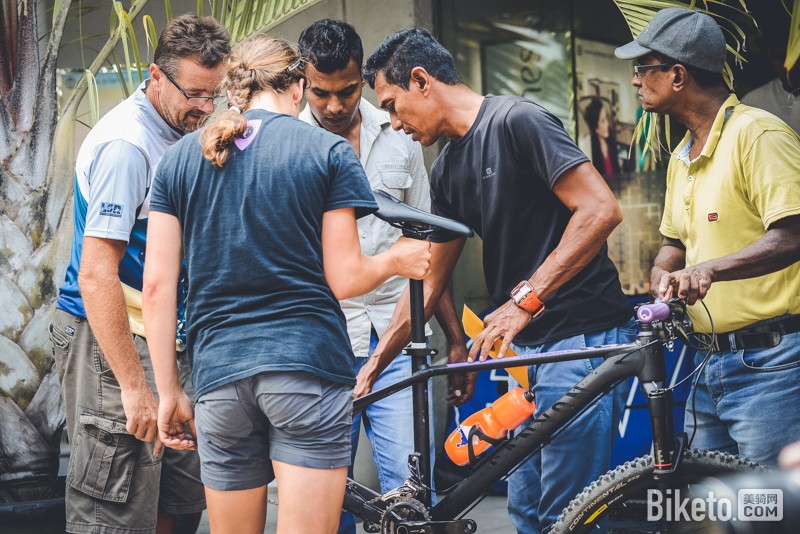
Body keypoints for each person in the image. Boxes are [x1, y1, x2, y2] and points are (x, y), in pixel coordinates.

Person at [142, 35, 432, 534]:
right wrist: (397, 259)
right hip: (306, 371)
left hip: (218, 378)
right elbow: (344, 278)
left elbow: (157, 287)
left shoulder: (180, 159)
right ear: (298, 86)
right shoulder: (326, 151)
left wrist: (168, 390)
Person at [358, 27, 636, 534]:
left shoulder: (518, 121)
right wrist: (373, 369)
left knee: (568, 513)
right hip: (527, 358)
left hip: (581, 339)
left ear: (422, 81)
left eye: (394, 106)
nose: (393, 123)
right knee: (526, 510)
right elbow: (430, 279)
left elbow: (599, 210)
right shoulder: (445, 171)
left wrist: (524, 300)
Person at [49, 14, 229, 534]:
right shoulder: (127, 148)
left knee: (180, 498)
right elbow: (96, 274)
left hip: (171, 338)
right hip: (113, 341)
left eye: (213, 94)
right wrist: (133, 386)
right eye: (194, 93)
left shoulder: (189, 125)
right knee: (117, 509)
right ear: (154, 76)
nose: (205, 106)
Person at [296, 19, 473, 533]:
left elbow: (428, 247)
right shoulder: (286, 144)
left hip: (397, 343)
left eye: (347, 91)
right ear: (302, 83)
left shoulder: (399, 134)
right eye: (320, 93)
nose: (333, 105)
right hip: (320, 346)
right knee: (324, 495)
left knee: (412, 494)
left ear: (362, 77)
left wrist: (455, 340)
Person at [615, 7, 800, 465]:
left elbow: (794, 233)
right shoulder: (682, 154)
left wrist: (709, 270)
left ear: (677, 75)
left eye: (643, 68)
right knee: (712, 507)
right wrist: (663, 269)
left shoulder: (757, 134)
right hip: (706, 364)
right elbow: (674, 243)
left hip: (771, 366)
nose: (636, 80)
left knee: (769, 510)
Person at [742, 27, 800, 133]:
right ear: (771, 55)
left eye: (796, 57)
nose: (791, 64)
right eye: (782, 56)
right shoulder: (753, 103)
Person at [583, 97, 621, 177]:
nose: (607, 124)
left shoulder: (611, 142)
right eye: (603, 121)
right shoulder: (590, 148)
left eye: (606, 119)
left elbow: (617, 172)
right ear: (595, 128)